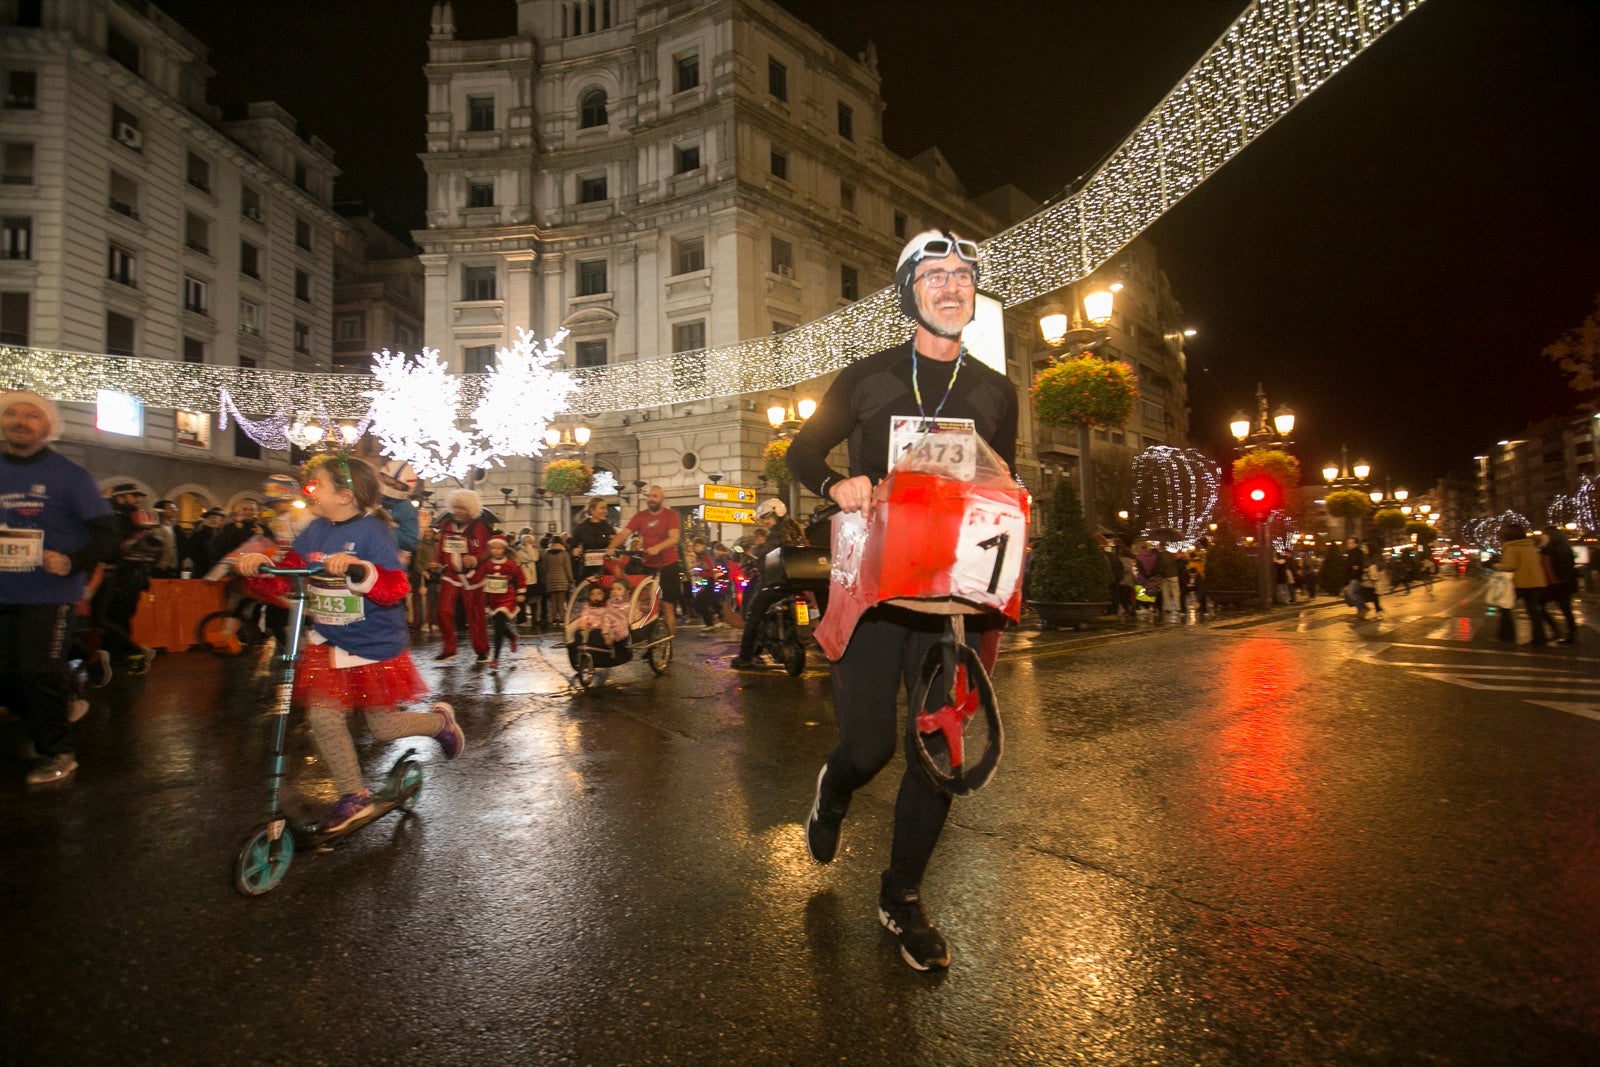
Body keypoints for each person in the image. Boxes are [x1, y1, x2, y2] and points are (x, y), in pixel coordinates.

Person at [784, 229, 1018, 971]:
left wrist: (1012, 494)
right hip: (874, 589)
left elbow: (994, 475)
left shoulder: (996, 391)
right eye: (934, 276)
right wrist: (836, 485)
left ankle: (902, 896)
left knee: (934, 754)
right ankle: (836, 784)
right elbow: (800, 453)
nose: (951, 287)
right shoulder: (867, 378)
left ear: (973, 293)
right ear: (909, 292)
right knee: (870, 747)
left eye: (962, 276)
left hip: (948, 594)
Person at [236, 453, 464, 832]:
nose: (310, 491)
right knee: (323, 717)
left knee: (382, 727)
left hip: (372, 644)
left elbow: (395, 588)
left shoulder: (374, 532)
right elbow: (287, 576)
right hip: (328, 639)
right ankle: (353, 794)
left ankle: (439, 723)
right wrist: (259, 567)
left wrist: (361, 569)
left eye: (317, 485)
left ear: (345, 495)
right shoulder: (315, 530)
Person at [0, 390, 121, 784]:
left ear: (47, 426)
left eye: (31, 416)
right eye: (11, 414)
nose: (20, 421)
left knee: (38, 670)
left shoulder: (70, 476)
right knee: (9, 674)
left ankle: (58, 752)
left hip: (48, 594)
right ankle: (60, 706)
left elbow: (106, 535)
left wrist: (72, 561)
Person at [90, 482, 156, 673]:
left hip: (118, 574)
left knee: (107, 617)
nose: (137, 500)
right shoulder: (130, 519)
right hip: (129, 575)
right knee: (116, 618)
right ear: (121, 497)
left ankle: (129, 653)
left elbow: (111, 547)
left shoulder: (120, 518)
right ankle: (124, 655)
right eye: (133, 496)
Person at [730, 499, 803, 668]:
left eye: (766, 517)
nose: (764, 521)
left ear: (777, 513)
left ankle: (745, 656)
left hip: (775, 583)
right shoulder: (794, 531)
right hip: (793, 582)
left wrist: (753, 557)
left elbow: (765, 553)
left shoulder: (778, 533)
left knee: (753, 615)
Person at [606, 485, 682, 637]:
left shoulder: (670, 515)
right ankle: (649, 641)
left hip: (668, 565)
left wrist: (658, 548)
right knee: (646, 605)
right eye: (650, 496)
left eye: (655, 496)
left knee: (667, 607)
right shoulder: (640, 517)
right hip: (649, 566)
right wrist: (611, 548)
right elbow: (625, 534)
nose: (651, 499)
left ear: (662, 498)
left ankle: (669, 643)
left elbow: (674, 538)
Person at [432, 489, 494, 663]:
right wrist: (437, 562)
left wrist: (474, 558)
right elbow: (441, 546)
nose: (458, 511)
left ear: (470, 510)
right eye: (456, 507)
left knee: (475, 615)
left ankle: (482, 649)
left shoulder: (479, 527)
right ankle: (449, 648)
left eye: (463, 508)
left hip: (472, 577)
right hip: (451, 575)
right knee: (443, 612)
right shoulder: (445, 525)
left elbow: (485, 550)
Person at [1493, 523, 1548, 646]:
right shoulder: (1530, 546)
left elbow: (1510, 566)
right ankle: (1540, 638)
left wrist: (1496, 565)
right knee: (1533, 611)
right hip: (1536, 582)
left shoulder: (1511, 548)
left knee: (1505, 607)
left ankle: (1507, 636)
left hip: (1519, 583)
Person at [480, 536, 524, 669]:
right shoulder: (486, 564)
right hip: (492, 598)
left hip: (507, 597)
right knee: (498, 624)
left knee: (498, 624)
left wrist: (521, 593)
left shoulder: (511, 564)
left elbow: (520, 577)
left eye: (499, 548)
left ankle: (496, 658)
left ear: (504, 549)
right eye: (494, 548)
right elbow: (481, 577)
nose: (496, 551)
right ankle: (512, 637)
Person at [1540, 527, 1578, 644]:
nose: (1543, 536)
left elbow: (1558, 566)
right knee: (1566, 609)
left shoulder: (1556, 549)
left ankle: (1562, 632)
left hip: (1559, 584)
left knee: (1542, 604)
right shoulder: (1563, 547)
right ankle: (1568, 633)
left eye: (1545, 534)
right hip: (1562, 583)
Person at [569, 497, 616, 583]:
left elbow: (615, 547)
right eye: (602, 508)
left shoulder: (608, 528)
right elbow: (572, 549)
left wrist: (614, 546)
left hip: (605, 571)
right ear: (592, 510)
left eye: (606, 508)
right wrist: (575, 551)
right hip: (586, 572)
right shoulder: (581, 528)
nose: (605, 511)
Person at [542, 535, 575, 623]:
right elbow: (568, 568)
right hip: (562, 579)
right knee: (561, 601)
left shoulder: (546, 554)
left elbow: (544, 568)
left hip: (550, 580)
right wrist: (571, 579)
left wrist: (544, 580)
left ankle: (553, 618)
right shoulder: (564, 553)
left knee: (553, 601)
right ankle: (561, 619)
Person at [1344, 537, 1367, 618]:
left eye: (1351, 543)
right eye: (1348, 543)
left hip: (1356, 577)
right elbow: (1349, 566)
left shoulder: (1358, 553)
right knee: (1354, 594)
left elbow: (1359, 566)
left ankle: (1363, 608)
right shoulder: (1350, 553)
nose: (1349, 545)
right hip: (1351, 577)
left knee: (1352, 593)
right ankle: (1360, 610)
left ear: (1356, 544)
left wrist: (1355, 569)